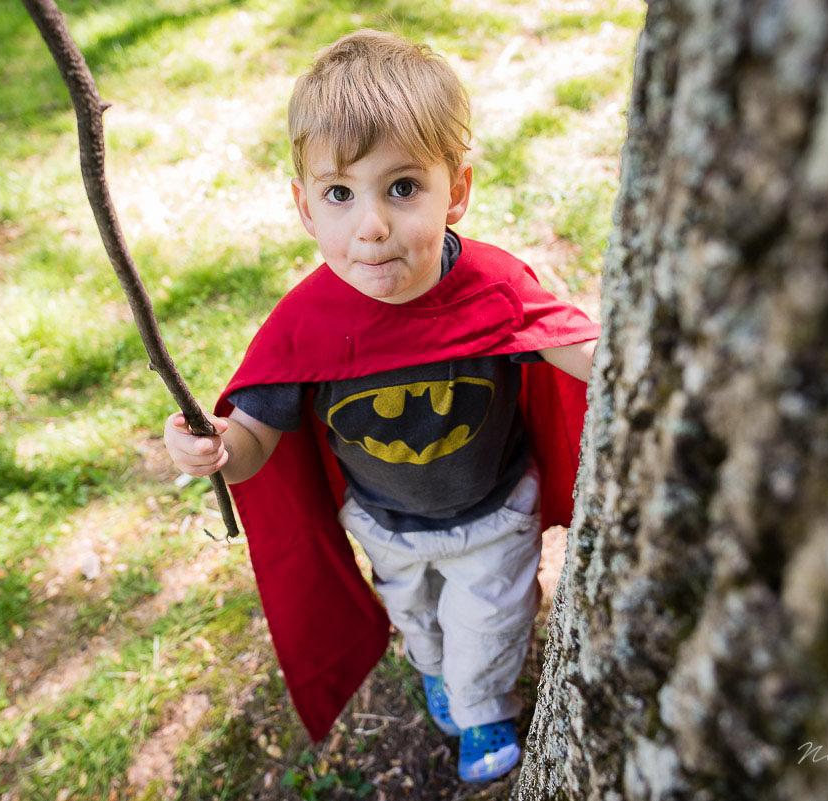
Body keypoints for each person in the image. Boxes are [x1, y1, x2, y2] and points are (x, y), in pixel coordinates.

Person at [164, 29, 599, 783]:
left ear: (455, 190)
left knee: (489, 624)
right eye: (340, 193)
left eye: (402, 188)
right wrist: (216, 448)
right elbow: (258, 438)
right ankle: (440, 671)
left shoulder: (490, 288)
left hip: (493, 511)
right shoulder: (304, 325)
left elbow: (567, 343)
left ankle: (483, 704)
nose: (371, 225)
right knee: (422, 624)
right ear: (305, 207)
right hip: (384, 521)